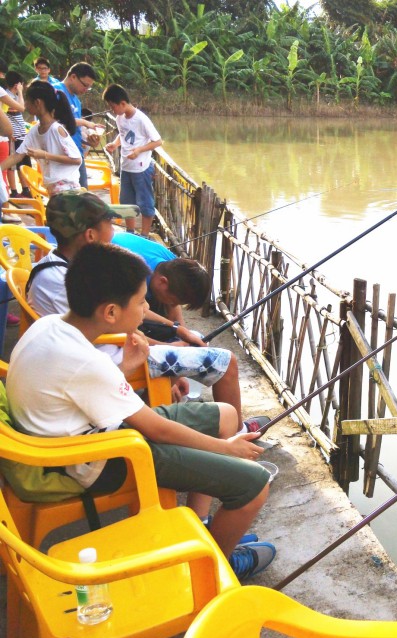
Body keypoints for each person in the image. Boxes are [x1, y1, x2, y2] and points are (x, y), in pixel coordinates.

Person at [6, 240, 276, 579]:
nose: (146, 307)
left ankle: (202, 528)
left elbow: (77, 389)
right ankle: (211, 570)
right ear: (110, 312)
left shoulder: (48, 326)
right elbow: (156, 430)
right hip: (96, 459)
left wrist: (125, 366)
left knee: (226, 415)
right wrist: (227, 449)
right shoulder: (88, 363)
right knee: (255, 485)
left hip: (84, 434)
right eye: (140, 301)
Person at [28, 193, 261, 433]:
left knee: (188, 344)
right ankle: (238, 433)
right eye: (110, 224)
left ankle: (209, 420)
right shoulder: (61, 279)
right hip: (111, 358)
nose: (114, 232)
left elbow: (126, 317)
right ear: (91, 235)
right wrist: (168, 347)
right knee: (227, 362)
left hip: (113, 350)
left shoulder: (76, 270)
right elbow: (111, 330)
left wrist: (176, 335)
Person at [0, 81, 81, 195]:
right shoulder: (35, 130)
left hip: (67, 189)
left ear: (37, 103)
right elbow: (17, 155)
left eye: (27, 100)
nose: (25, 105)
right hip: (53, 189)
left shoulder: (56, 129)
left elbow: (77, 159)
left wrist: (44, 155)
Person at [103, 84, 162, 236]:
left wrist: (139, 150)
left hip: (141, 168)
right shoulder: (119, 118)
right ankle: (130, 232)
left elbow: (158, 141)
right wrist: (115, 144)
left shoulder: (141, 119)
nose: (112, 110)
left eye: (112, 106)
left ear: (122, 103)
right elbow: (123, 134)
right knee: (127, 202)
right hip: (126, 167)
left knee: (145, 203)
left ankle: (145, 235)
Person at [55, 62, 101, 189]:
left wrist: (88, 141)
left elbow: (74, 130)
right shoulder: (55, 91)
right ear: (73, 77)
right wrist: (86, 122)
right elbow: (55, 121)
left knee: (83, 194)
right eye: (85, 85)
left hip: (77, 154)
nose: (85, 90)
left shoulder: (76, 100)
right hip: (63, 156)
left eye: (89, 87)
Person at [3, 71, 31, 197]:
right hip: (12, 136)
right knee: (12, 165)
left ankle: (26, 189)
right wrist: (20, 92)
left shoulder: (12, 96)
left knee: (24, 163)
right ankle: (13, 191)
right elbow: (21, 107)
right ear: (17, 84)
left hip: (20, 134)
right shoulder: (6, 96)